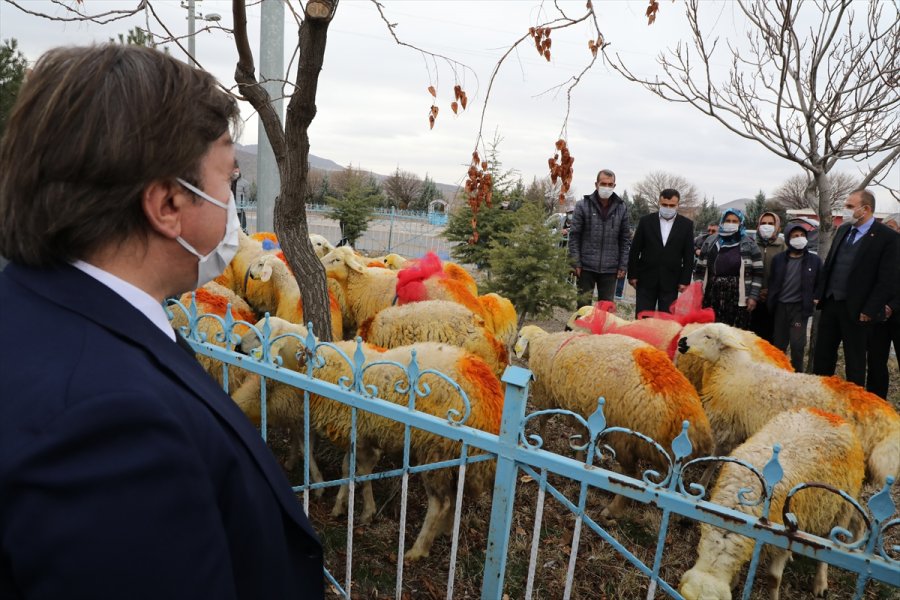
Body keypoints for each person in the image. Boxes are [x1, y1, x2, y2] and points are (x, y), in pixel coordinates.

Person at [0, 45, 323, 598]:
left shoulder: (31, 309)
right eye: (230, 181)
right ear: (169, 204)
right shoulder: (111, 425)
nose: (232, 205)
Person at [813, 189, 899, 387]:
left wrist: (870, 309)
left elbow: (887, 279)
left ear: (866, 209)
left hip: (858, 310)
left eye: (850, 207)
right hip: (831, 303)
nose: (845, 210)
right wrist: (820, 293)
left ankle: (854, 404)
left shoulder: (887, 237)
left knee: (855, 361)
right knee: (823, 356)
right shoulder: (843, 230)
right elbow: (831, 264)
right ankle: (820, 396)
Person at [568, 169, 632, 305]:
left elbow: (625, 239)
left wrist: (623, 265)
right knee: (583, 307)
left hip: (610, 268)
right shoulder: (582, 205)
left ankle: (601, 327)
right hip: (585, 267)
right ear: (596, 184)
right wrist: (576, 262)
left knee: (605, 309)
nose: (607, 187)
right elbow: (574, 236)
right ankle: (579, 327)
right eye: (604, 183)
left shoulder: (622, 208)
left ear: (614, 186)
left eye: (610, 184)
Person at [627, 188, 695, 314]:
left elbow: (688, 255)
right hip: (646, 279)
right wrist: (632, 274)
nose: (668, 208)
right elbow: (635, 250)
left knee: (666, 322)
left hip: (671, 281)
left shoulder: (686, 225)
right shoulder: (646, 221)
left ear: (677, 205)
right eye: (664, 205)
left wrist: (685, 281)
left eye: (672, 205)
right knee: (643, 319)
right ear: (659, 202)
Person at [693, 209, 763, 329]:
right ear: (722, 222)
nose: (731, 223)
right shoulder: (710, 241)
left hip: (737, 295)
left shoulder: (749, 244)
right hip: (712, 292)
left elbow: (758, 272)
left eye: (735, 221)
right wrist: (697, 291)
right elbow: (700, 268)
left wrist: (753, 296)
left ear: (740, 223)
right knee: (711, 329)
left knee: (733, 332)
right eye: (728, 220)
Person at [766, 223, 822, 372]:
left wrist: (816, 296)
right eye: (795, 236)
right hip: (781, 307)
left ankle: (798, 376)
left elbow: (820, 281)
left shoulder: (814, 260)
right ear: (788, 239)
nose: (799, 238)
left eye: (802, 235)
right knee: (778, 345)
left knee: (798, 346)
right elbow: (772, 281)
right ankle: (777, 374)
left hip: (799, 308)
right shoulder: (778, 259)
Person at [864, 213, 900, 398]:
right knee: (876, 364)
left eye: (891, 227)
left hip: (896, 313)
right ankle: (876, 403)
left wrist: (892, 306)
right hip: (877, 316)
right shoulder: (877, 252)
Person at [750, 211, 786, 342]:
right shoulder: (750, 244)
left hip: (774, 300)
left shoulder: (784, 247)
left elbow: (787, 273)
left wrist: (771, 291)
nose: (766, 226)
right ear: (758, 226)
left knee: (771, 339)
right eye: (763, 223)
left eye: (771, 223)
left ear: (777, 227)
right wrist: (756, 291)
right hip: (752, 298)